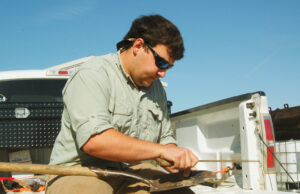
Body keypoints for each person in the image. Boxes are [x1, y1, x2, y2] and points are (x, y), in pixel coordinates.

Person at [46, 14, 199, 194]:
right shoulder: (92, 74)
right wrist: (160, 151)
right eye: (161, 62)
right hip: (78, 171)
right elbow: (95, 141)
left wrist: (175, 156)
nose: (163, 73)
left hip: (132, 171)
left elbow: (165, 140)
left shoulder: (157, 89)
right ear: (138, 46)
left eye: (168, 67)